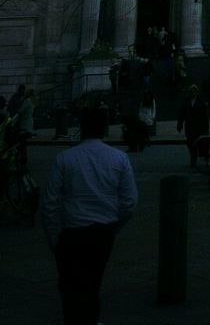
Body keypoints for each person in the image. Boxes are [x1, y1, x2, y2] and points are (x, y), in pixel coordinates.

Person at [40, 106, 138, 325]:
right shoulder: (119, 158)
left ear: (81, 128)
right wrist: (114, 227)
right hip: (103, 232)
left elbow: (49, 203)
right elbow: (130, 202)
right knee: (93, 283)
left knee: (71, 287)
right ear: (104, 128)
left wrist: (53, 238)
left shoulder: (64, 158)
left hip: (71, 233)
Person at [176, 85, 209, 168]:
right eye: (191, 91)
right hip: (190, 126)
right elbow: (182, 114)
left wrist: (206, 127)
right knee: (190, 143)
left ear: (196, 93)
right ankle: (193, 158)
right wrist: (180, 124)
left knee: (197, 143)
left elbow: (205, 116)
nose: (192, 93)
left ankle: (196, 158)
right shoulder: (186, 102)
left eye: (194, 91)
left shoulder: (201, 102)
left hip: (199, 126)